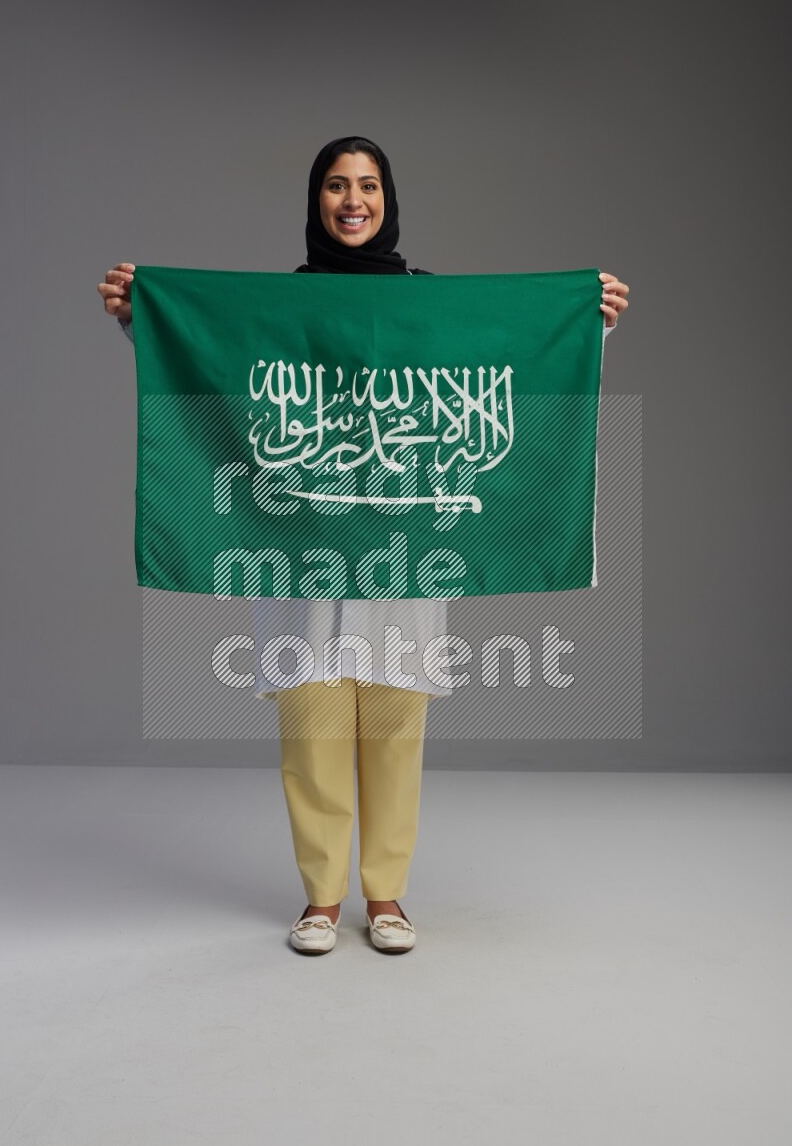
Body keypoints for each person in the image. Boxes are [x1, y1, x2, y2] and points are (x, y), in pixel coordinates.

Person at [97, 135, 630, 956]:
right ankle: (319, 897)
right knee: (310, 725)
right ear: (316, 200)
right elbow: (213, 366)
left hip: (402, 549)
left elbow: (503, 363)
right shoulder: (279, 310)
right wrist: (145, 319)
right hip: (301, 545)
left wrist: (582, 321)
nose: (354, 200)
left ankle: (385, 896)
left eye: (369, 185)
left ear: (388, 199)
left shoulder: (429, 304)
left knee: (391, 723)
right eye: (338, 185)